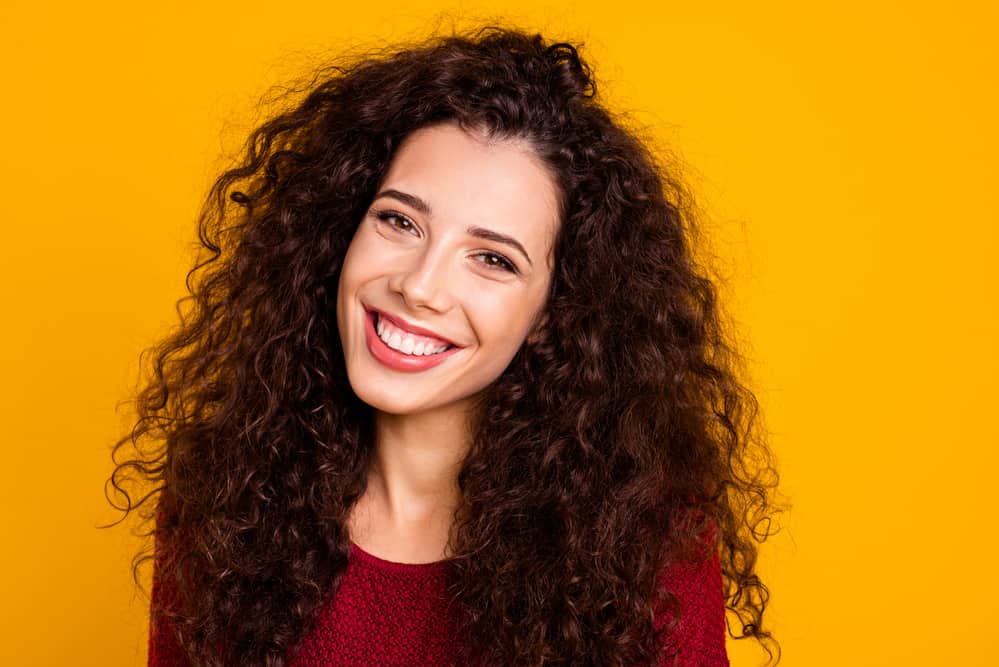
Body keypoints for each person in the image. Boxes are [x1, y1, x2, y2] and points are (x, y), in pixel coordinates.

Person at [107, 25, 780, 667]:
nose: (421, 286)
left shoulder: (642, 536)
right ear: (340, 228)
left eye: (492, 259)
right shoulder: (226, 492)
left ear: (557, 311)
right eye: (398, 220)